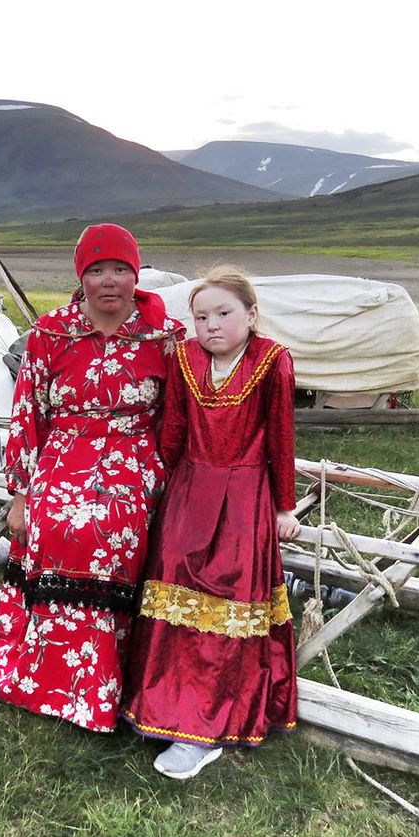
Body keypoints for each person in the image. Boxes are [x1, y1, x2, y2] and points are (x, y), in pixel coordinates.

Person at [0, 223, 183, 732]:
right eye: (96, 270)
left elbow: (179, 418)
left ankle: (110, 685)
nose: (108, 281)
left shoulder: (167, 337)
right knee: (62, 526)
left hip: (136, 463)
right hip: (62, 461)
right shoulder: (51, 333)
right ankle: (52, 677)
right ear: (80, 276)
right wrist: (20, 497)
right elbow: (27, 416)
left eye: (120, 269)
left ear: (136, 274)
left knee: (114, 528)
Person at [121, 266, 300, 779]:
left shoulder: (272, 362)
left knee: (226, 597)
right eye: (201, 317)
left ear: (251, 315)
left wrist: (284, 507)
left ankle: (206, 727)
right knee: (173, 584)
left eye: (223, 314)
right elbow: (173, 429)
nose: (212, 325)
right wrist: (158, 486)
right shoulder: (184, 357)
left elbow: (280, 439)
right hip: (188, 490)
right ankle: (162, 704)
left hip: (245, 494)